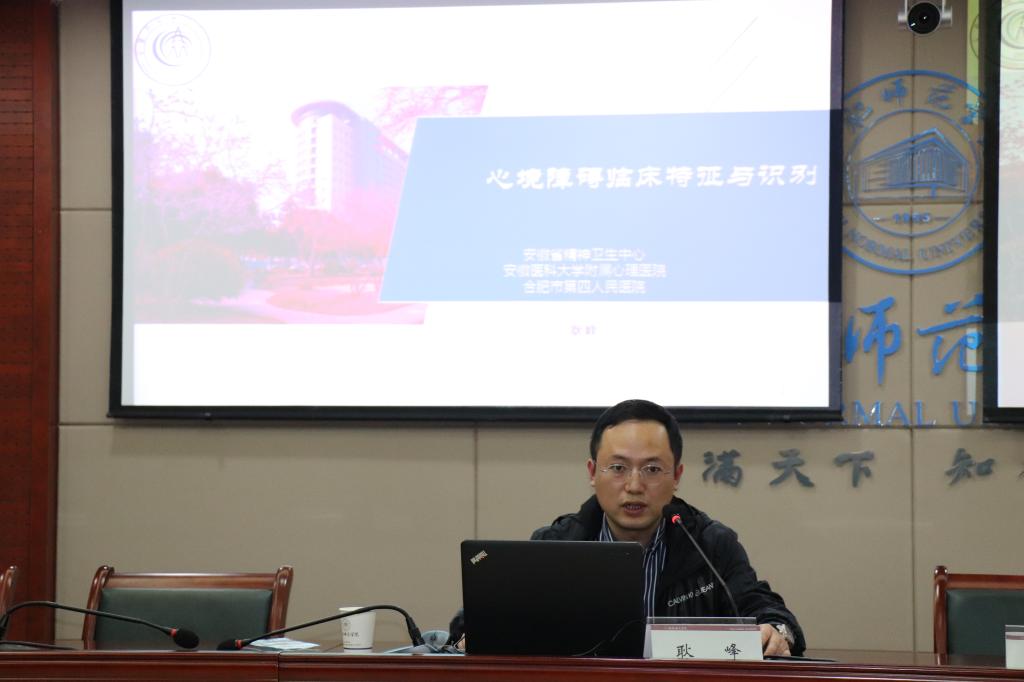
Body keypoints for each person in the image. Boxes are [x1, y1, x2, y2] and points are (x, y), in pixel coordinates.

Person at [529, 398, 805, 656]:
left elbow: (766, 611)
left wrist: (777, 632)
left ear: (676, 476)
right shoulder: (553, 546)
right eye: (618, 468)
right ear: (592, 473)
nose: (634, 486)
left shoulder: (711, 546)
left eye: (651, 469)